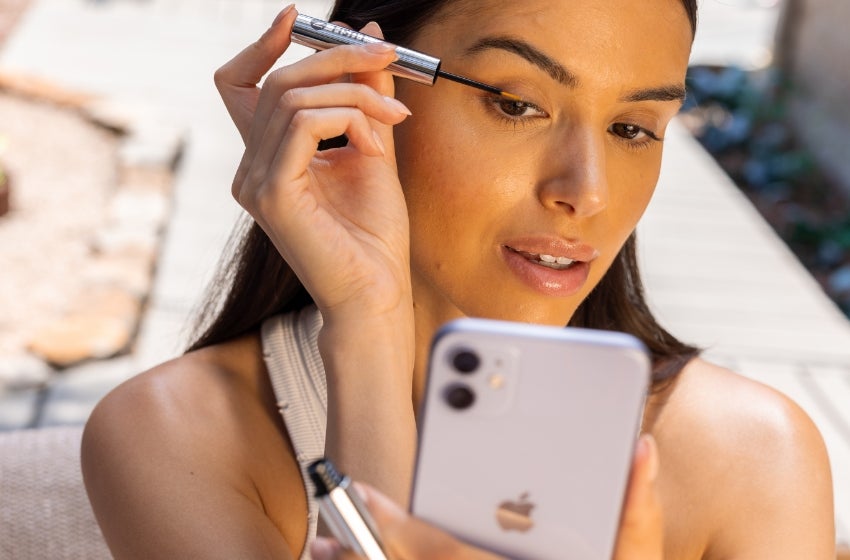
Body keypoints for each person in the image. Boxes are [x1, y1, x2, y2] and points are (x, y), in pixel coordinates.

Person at [81, 1, 835, 558]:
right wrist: (368, 325)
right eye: (517, 104)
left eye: (632, 128)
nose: (588, 192)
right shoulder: (177, 438)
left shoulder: (753, 458)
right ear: (366, 81)